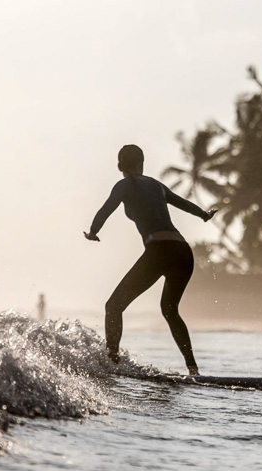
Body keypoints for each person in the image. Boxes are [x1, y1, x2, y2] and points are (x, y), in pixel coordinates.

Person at [84, 145, 216, 375]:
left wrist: (94, 231)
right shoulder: (156, 184)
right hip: (182, 251)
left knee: (113, 306)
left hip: (159, 251)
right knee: (170, 310)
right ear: (141, 163)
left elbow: (107, 208)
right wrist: (204, 215)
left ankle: (112, 363)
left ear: (119, 166)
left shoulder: (125, 185)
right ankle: (193, 370)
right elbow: (182, 202)